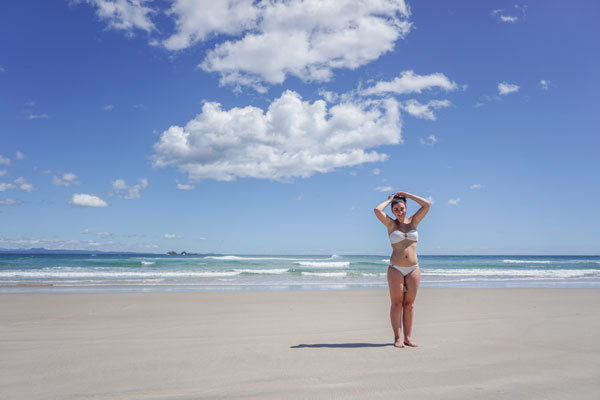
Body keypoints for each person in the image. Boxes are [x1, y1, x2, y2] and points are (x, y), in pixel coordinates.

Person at [374, 191, 430, 348]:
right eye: (396, 210)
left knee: (409, 305)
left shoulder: (414, 221)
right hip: (396, 268)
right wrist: (390, 200)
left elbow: (427, 205)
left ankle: (408, 337)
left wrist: (408, 195)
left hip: (413, 268)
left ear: (406, 208)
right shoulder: (391, 224)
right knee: (397, 303)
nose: (399, 212)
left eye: (402, 208)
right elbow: (377, 210)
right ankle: (397, 338)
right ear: (392, 211)